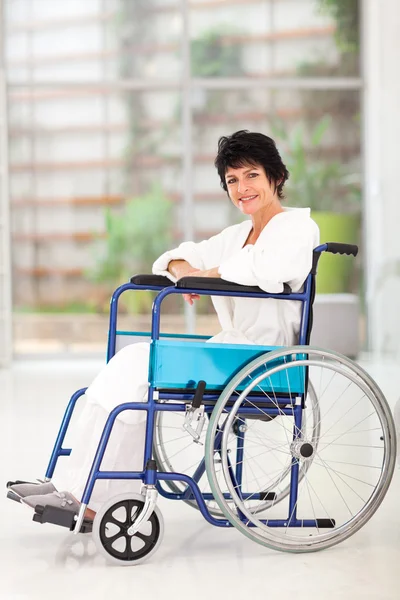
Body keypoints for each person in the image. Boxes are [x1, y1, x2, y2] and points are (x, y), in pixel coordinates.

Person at [9, 130, 320, 518]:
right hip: (232, 352)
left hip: (266, 361)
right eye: (232, 181)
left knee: (138, 366)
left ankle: (89, 499)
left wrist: (207, 274)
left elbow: (268, 269)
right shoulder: (238, 235)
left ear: (275, 176)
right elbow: (173, 258)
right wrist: (188, 270)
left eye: (252, 175)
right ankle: (76, 488)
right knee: (127, 369)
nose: (242, 188)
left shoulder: (298, 228)